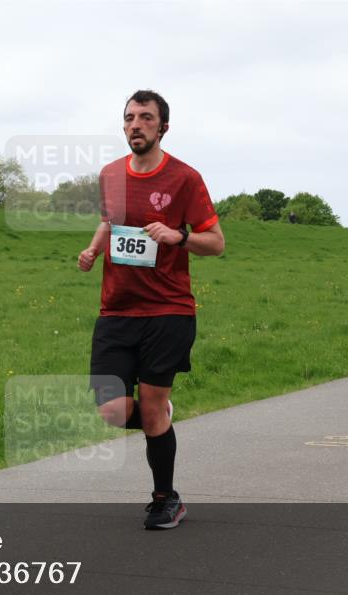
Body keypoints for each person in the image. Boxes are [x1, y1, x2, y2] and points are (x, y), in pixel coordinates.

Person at [78, 89, 225, 530]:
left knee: (152, 406)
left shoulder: (185, 178)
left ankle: (166, 499)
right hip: (116, 310)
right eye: (129, 117)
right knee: (111, 411)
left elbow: (216, 243)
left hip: (168, 310)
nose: (135, 125)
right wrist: (93, 249)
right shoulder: (110, 174)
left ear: (163, 127)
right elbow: (109, 221)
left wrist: (179, 236)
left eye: (145, 117)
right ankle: (158, 414)